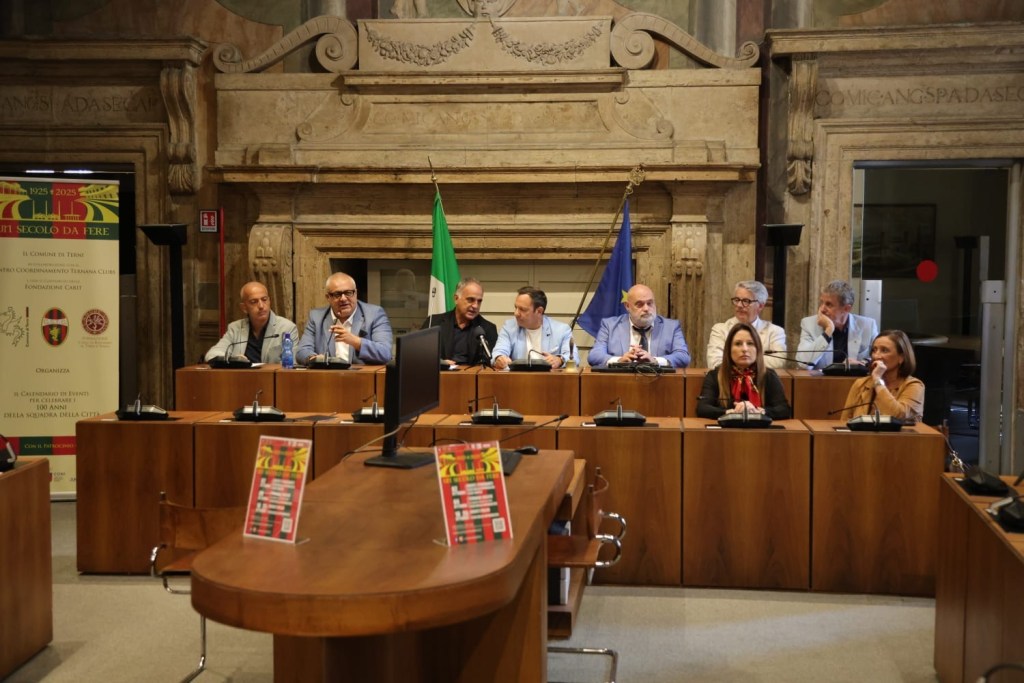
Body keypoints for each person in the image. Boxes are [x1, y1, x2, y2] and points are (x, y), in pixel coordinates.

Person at [696, 322, 791, 419]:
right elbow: (703, 408)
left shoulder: (768, 375)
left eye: (750, 343)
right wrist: (731, 412)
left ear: (758, 349)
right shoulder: (715, 375)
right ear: (728, 350)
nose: (745, 349)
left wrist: (759, 411)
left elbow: (784, 409)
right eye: (738, 344)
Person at [295, 272, 393, 365]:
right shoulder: (316, 317)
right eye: (337, 294)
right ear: (328, 297)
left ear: (355, 293)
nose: (343, 299)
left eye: (348, 293)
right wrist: (315, 359)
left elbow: (385, 353)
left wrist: (356, 341)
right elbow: (302, 351)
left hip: (362, 378)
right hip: (327, 377)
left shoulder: (374, 314)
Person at [587, 284, 690, 368]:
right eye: (639, 304)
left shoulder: (671, 327)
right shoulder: (609, 326)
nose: (646, 308)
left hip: (658, 385)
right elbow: (594, 356)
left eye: (650, 303)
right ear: (627, 306)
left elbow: (683, 357)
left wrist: (655, 361)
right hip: (620, 384)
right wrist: (619, 361)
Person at [839, 329, 924, 422]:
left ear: (901, 357)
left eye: (884, 350)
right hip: (861, 436)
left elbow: (897, 415)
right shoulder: (861, 384)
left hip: (897, 437)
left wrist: (877, 380)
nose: (876, 356)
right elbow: (844, 422)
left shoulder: (914, 386)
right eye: (874, 350)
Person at [204, 281, 298, 364]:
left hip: (272, 380)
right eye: (254, 302)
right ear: (244, 308)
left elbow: (292, 362)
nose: (261, 306)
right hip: (240, 380)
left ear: (270, 301)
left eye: (264, 300)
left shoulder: (287, 328)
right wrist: (234, 360)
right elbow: (212, 354)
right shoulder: (235, 328)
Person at [797, 280, 878, 370]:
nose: (822, 309)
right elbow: (803, 364)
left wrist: (862, 364)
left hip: (856, 381)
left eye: (829, 304)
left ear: (846, 308)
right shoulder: (809, 324)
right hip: (821, 382)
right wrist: (828, 331)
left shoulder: (867, 326)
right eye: (821, 303)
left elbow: (879, 359)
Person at [706, 280, 787, 369]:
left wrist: (739, 360)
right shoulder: (720, 330)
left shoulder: (774, 331)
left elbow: (778, 361)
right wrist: (753, 360)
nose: (739, 305)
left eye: (746, 301)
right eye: (737, 300)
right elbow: (715, 362)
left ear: (760, 306)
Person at [491, 286, 574, 370]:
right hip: (518, 380)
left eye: (522, 309)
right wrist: (499, 358)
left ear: (539, 311)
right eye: (516, 307)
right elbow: (498, 352)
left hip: (549, 380)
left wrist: (560, 360)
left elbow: (574, 357)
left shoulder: (562, 330)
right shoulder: (509, 327)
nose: (516, 313)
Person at [423, 276, 498, 365]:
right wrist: (440, 363)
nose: (475, 306)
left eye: (479, 301)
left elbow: (490, 363)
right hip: (441, 375)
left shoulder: (487, 329)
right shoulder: (434, 322)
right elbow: (418, 354)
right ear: (456, 299)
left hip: (471, 377)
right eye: (471, 300)